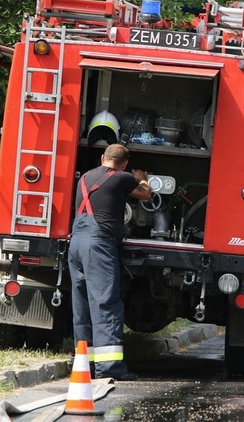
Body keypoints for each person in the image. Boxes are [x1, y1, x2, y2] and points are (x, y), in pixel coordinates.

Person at [68, 143, 151, 381]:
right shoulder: (123, 177)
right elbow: (145, 194)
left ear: (102, 157)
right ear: (124, 164)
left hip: (77, 243)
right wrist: (142, 178)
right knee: (105, 303)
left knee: (82, 304)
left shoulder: (84, 177)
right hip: (98, 245)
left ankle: (86, 365)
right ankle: (110, 368)